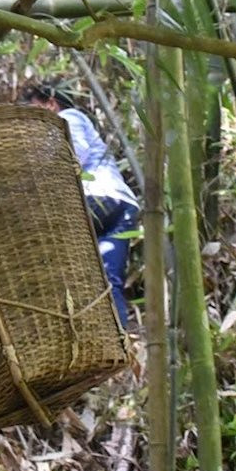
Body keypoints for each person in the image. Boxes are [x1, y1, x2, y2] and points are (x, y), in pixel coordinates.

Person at [22, 83, 138, 326]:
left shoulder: (68, 116)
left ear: (51, 104)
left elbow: (75, 151)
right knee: (109, 279)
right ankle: (121, 340)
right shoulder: (77, 121)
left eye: (35, 110)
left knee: (58, 265)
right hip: (123, 203)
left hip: (95, 197)